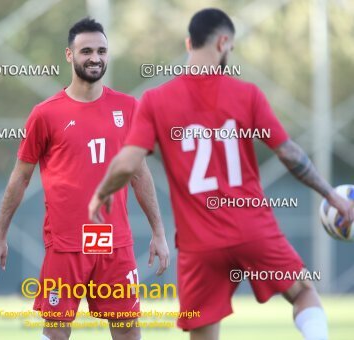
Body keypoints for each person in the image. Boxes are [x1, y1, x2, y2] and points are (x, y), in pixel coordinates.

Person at [88, 8, 354, 340]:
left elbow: (127, 164)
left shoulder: (155, 101)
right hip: (252, 228)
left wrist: (101, 194)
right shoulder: (247, 95)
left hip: (199, 245)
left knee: (202, 333)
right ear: (224, 42)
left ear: (188, 43)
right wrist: (331, 195)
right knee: (302, 293)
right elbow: (289, 153)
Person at [0, 17, 169, 340]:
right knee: (56, 333)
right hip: (67, 244)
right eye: (86, 51)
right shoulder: (45, 114)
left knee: (128, 332)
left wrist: (158, 231)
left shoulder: (128, 108)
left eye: (101, 50)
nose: (95, 57)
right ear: (69, 55)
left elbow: (139, 174)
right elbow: (20, 178)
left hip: (114, 243)